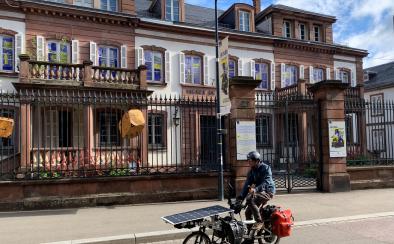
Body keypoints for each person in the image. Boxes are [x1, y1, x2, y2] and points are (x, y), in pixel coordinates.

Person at [238, 151, 276, 230]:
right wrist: (240, 197)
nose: (249, 162)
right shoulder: (252, 171)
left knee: (250, 199)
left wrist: (255, 189)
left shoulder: (266, 168)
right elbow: (247, 186)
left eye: (250, 160)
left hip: (268, 191)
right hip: (259, 192)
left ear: (257, 161)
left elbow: (267, 182)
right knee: (247, 212)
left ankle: (259, 222)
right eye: (248, 160)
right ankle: (250, 236)